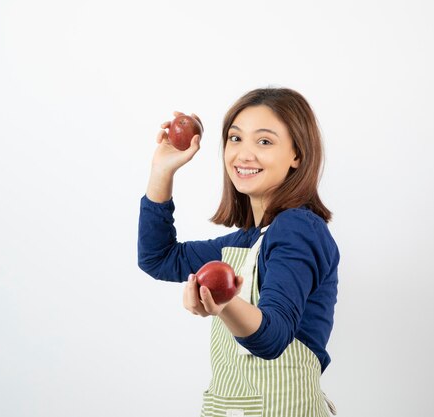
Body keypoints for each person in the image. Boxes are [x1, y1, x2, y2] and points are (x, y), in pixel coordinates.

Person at [137, 87, 339, 417]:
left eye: (264, 141)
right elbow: (158, 258)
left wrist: (224, 304)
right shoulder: (246, 242)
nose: (244, 154)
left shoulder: (298, 228)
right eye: (235, 138)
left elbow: (273, 337)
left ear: (297, 155)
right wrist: (162, 171)